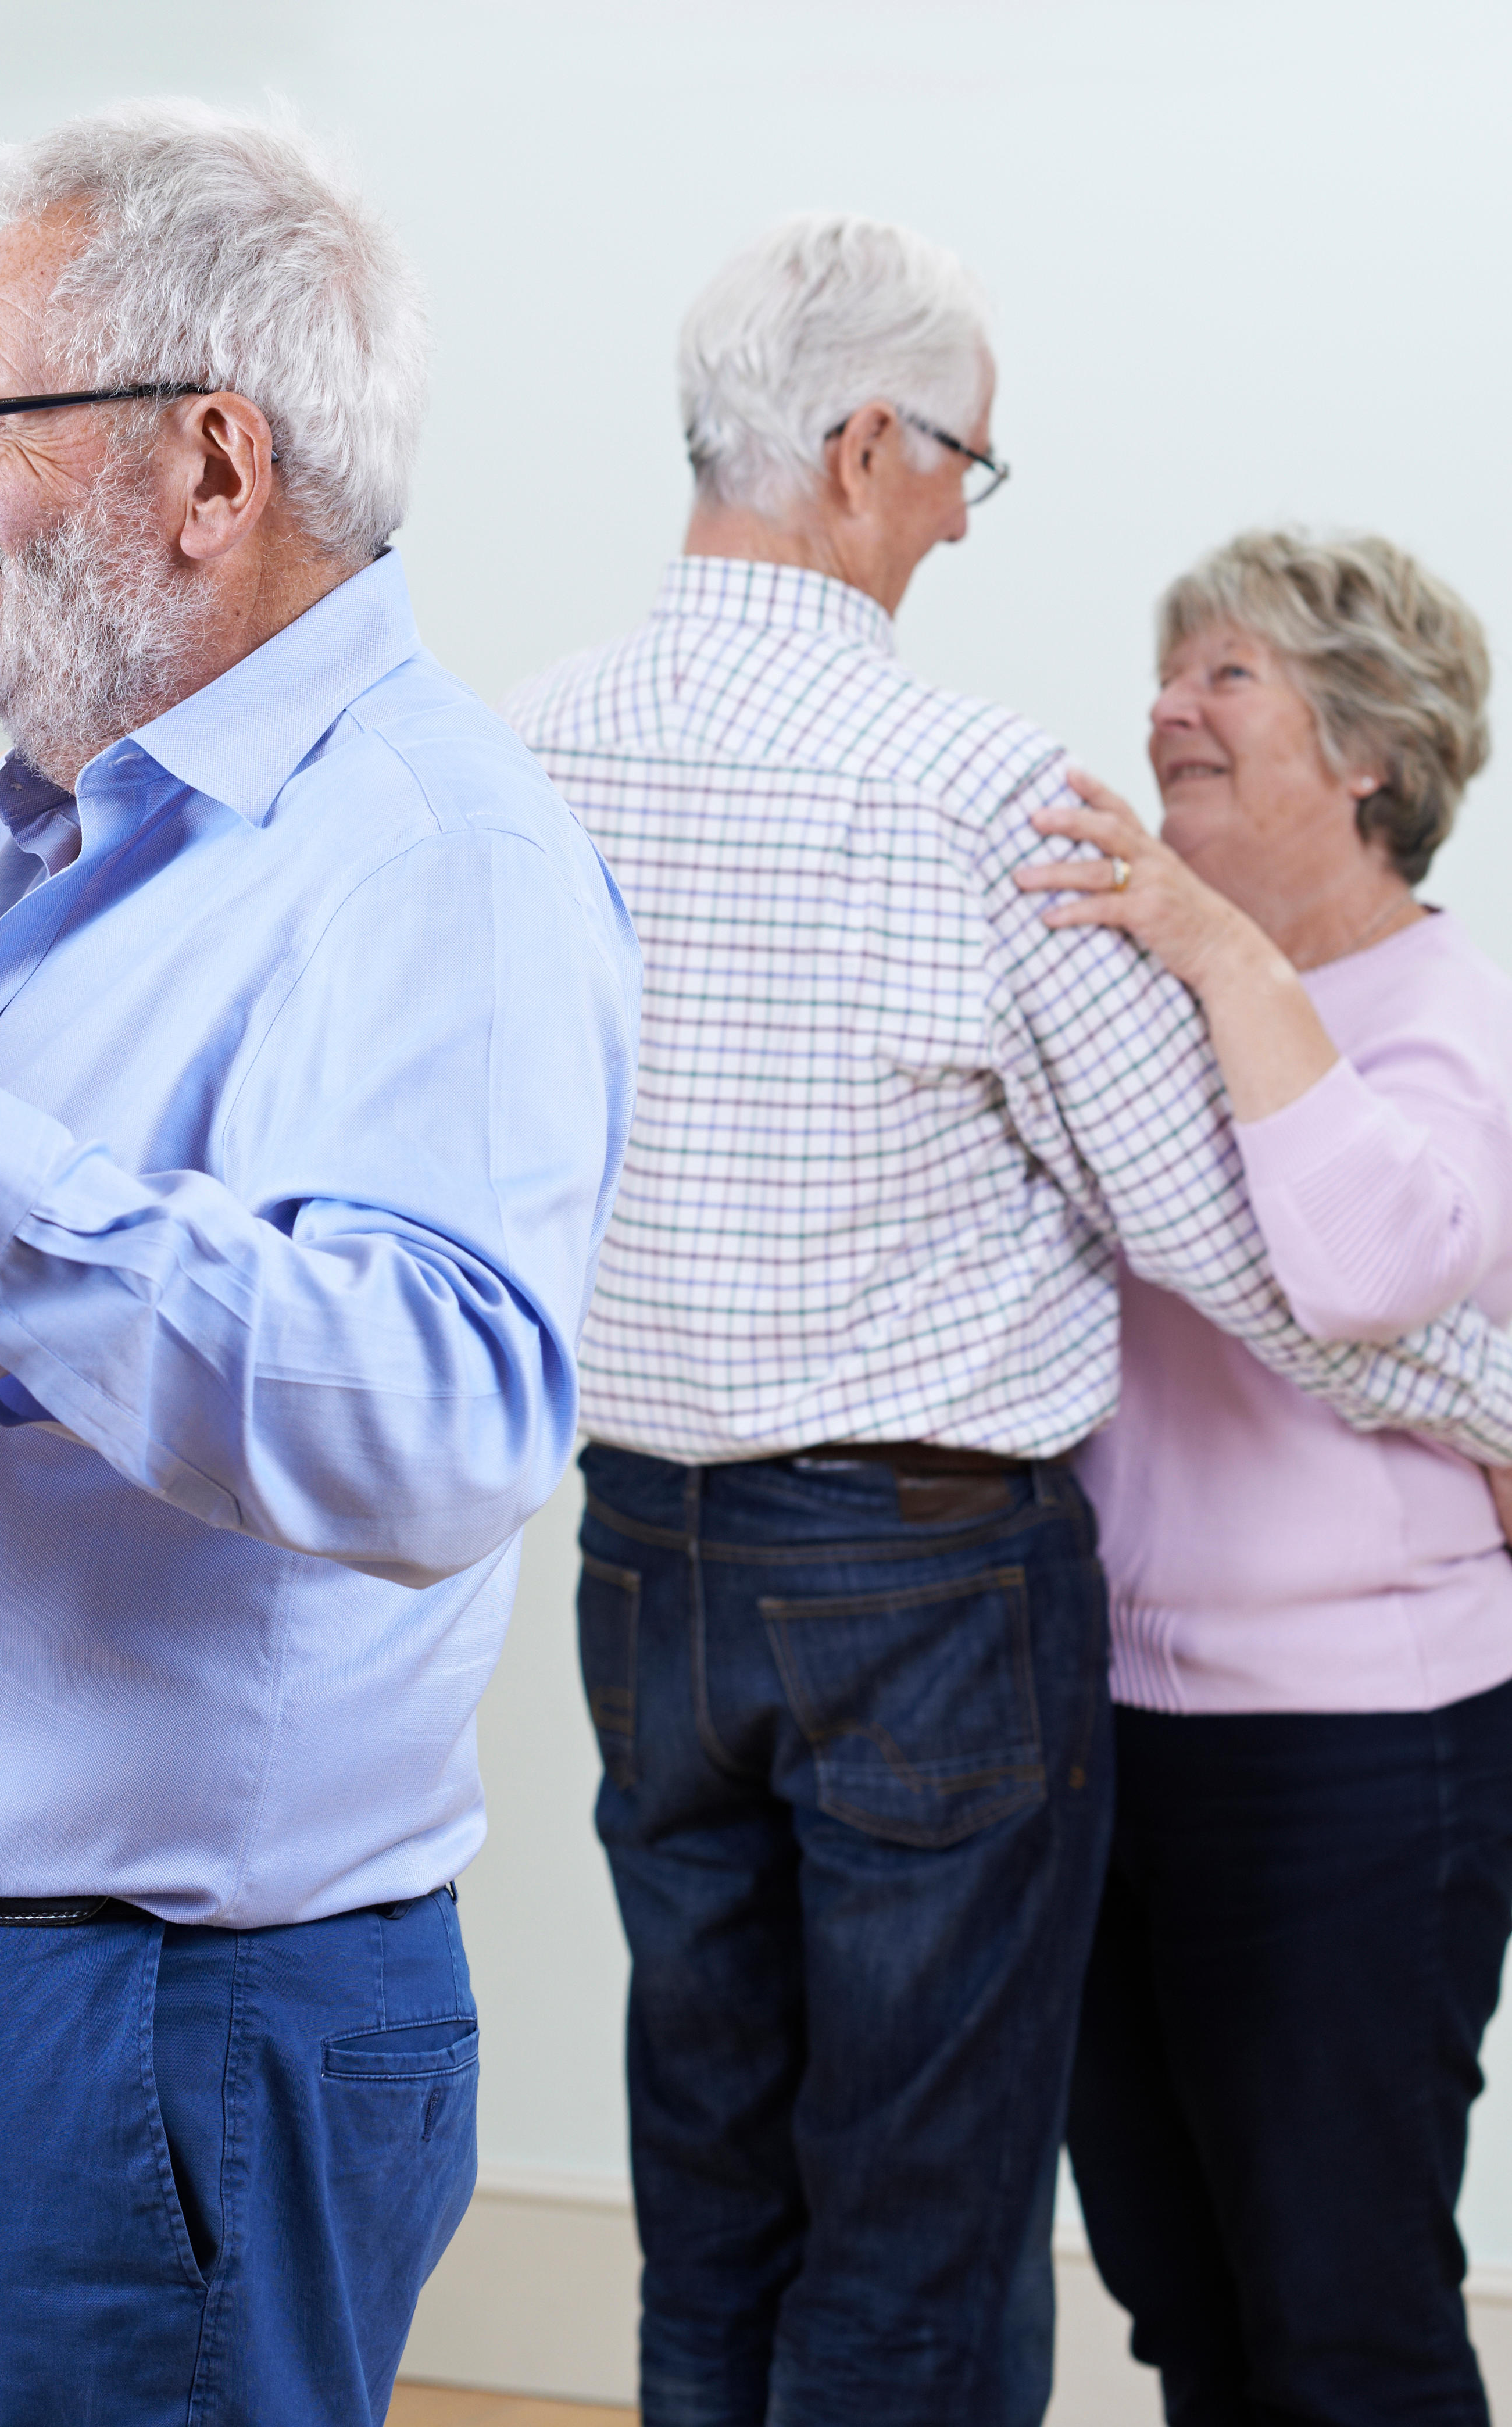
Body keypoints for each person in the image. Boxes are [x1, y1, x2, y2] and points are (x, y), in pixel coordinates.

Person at [0, 103, 639, 2425]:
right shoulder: (33, 824)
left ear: (207, 464)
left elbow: (438, 1421)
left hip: (152, 2013)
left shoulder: (426, 858)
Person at [509, 223, 1512, 2427]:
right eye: (966, 457)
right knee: (921, 2222)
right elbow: (1249, 1266)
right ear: (864, 449)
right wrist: (1488, 1405)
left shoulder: (540, 747)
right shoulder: (974, 794)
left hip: (643, 1558)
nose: (969, 508)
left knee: (718, 2191)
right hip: (924, 1588)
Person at [1014, 531, 1512, 2422]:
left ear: (1371, 748)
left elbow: (1372, 1270)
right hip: (1125, 1738)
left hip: (1356, 1762)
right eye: (1170, 672)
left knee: (1346, 2317)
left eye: (1227, 674)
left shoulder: (1441, 1016)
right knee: (1185, 2302)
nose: (1168, 708)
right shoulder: (1162, 1007)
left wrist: (1211, 936)